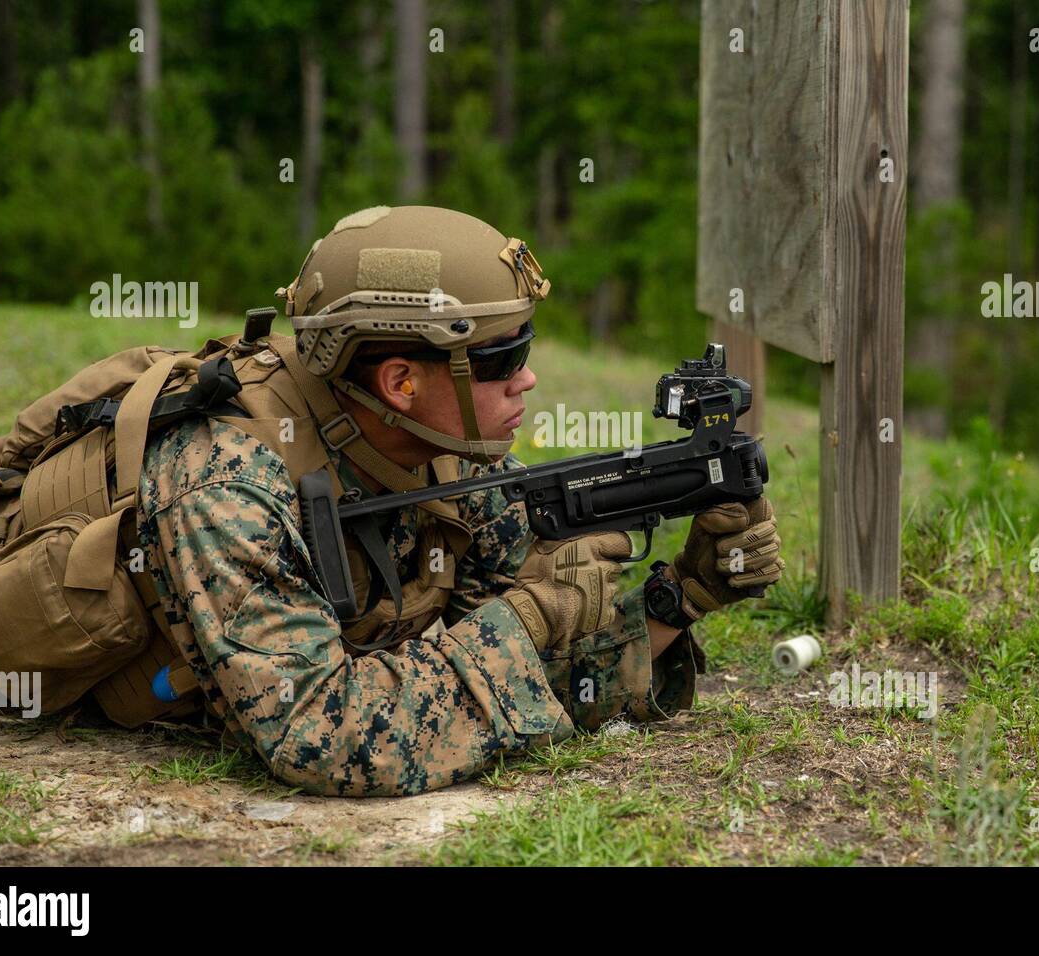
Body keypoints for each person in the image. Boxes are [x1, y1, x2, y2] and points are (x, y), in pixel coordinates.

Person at [135, 205, 785, 796]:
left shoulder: (443, 452)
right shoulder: (227, 484)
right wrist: (529, 618)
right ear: (401, 383)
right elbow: (323, 739)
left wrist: (681, 599)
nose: (528, 378)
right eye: (505, 357)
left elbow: (533, 678)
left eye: (528, 345)